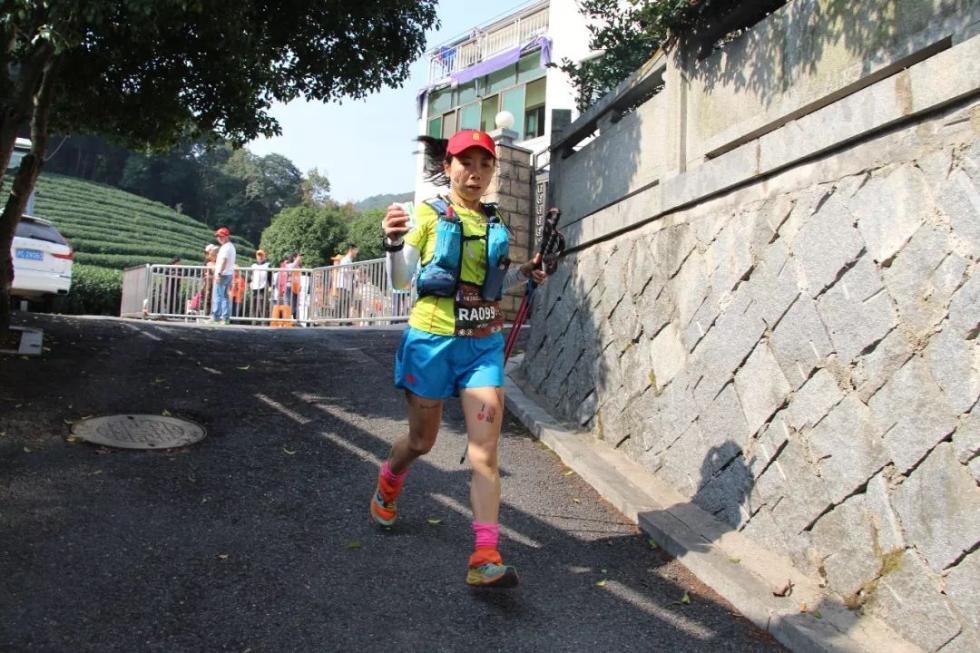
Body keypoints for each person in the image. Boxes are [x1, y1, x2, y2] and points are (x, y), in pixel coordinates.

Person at [373, 129, 548, 588]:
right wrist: (393, 244)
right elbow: (400, 280)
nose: (476, 173)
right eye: (465, 163)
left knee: (485, 453)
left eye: (485, 164)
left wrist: (526, 273)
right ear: (447, 166)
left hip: (482, 346)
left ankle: (485, 556)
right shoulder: (428, 215)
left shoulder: (495, 220)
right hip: (431, 343)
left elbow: (494, 286)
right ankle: (389, 480)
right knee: (421, 442)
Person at [211, 226, 236, 324]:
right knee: (225, 297)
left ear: (226, 236)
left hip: (223, 274)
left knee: (217, 296)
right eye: (218, 236)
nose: (219, 238)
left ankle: (216, 317)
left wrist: (218, 273)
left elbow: (224, 261)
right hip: (228, 274)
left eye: (221, 236)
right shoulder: (231, 246)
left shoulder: (225, 247)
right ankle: (225, 318)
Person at [249, 249, 272, 322]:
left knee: (262, 305)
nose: (260, 257)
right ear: (256, 257)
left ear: (265, 256)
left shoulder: (268, 265)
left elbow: (270, 277)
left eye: (261, 255)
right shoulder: (253, 265)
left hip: (263, 287)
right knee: (253, 305)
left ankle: (264, 322)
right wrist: (251, 283)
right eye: (258, 255)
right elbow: (251, 276)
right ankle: (253, 322)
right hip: (254, 288)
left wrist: (270, 287)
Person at [337, 244, 358, 320]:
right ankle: (339, 319)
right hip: (342, 285)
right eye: (356, 250)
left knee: (346, 302)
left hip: (347, 285)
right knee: (342, 302)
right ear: (351, 250)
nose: (356, 252)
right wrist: (354, 271)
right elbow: (343, 270)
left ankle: (345, 320)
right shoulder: (345, 259)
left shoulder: (349, 260)